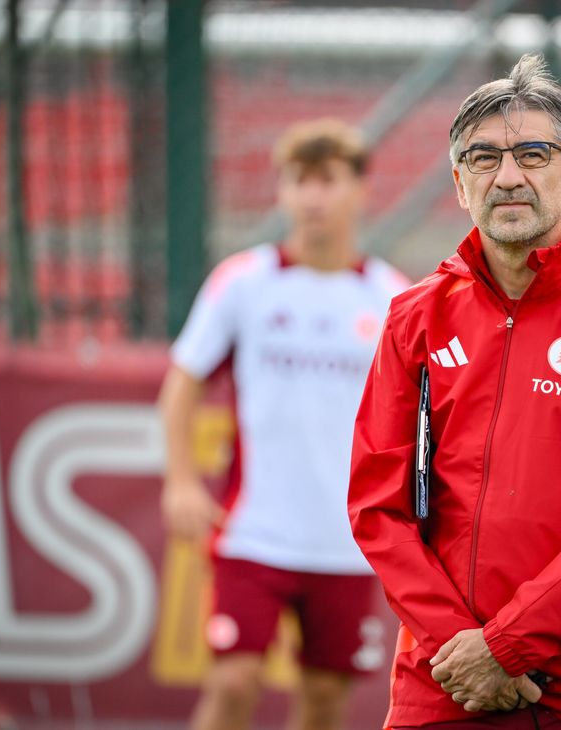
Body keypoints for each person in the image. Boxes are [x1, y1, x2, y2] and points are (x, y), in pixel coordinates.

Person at [348, 55, 561, 729]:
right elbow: (377, 507)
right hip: (446, 680)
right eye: (483, 159)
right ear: (459, 184)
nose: (507, 177)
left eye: (533, 155)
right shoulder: (415, 317)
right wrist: (463, 647)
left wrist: (508, 646)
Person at [159, 119, 409, 730]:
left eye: (328, 180)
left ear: (361, 190)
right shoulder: (244, 282)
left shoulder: (391, 297)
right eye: (300, 181)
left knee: (324, 697)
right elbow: (182, 384)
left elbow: (415, 418)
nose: (313, 196)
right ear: (282, 192)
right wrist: (181, 481)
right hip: (255, 534)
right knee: (233, 684)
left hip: (348, 542)